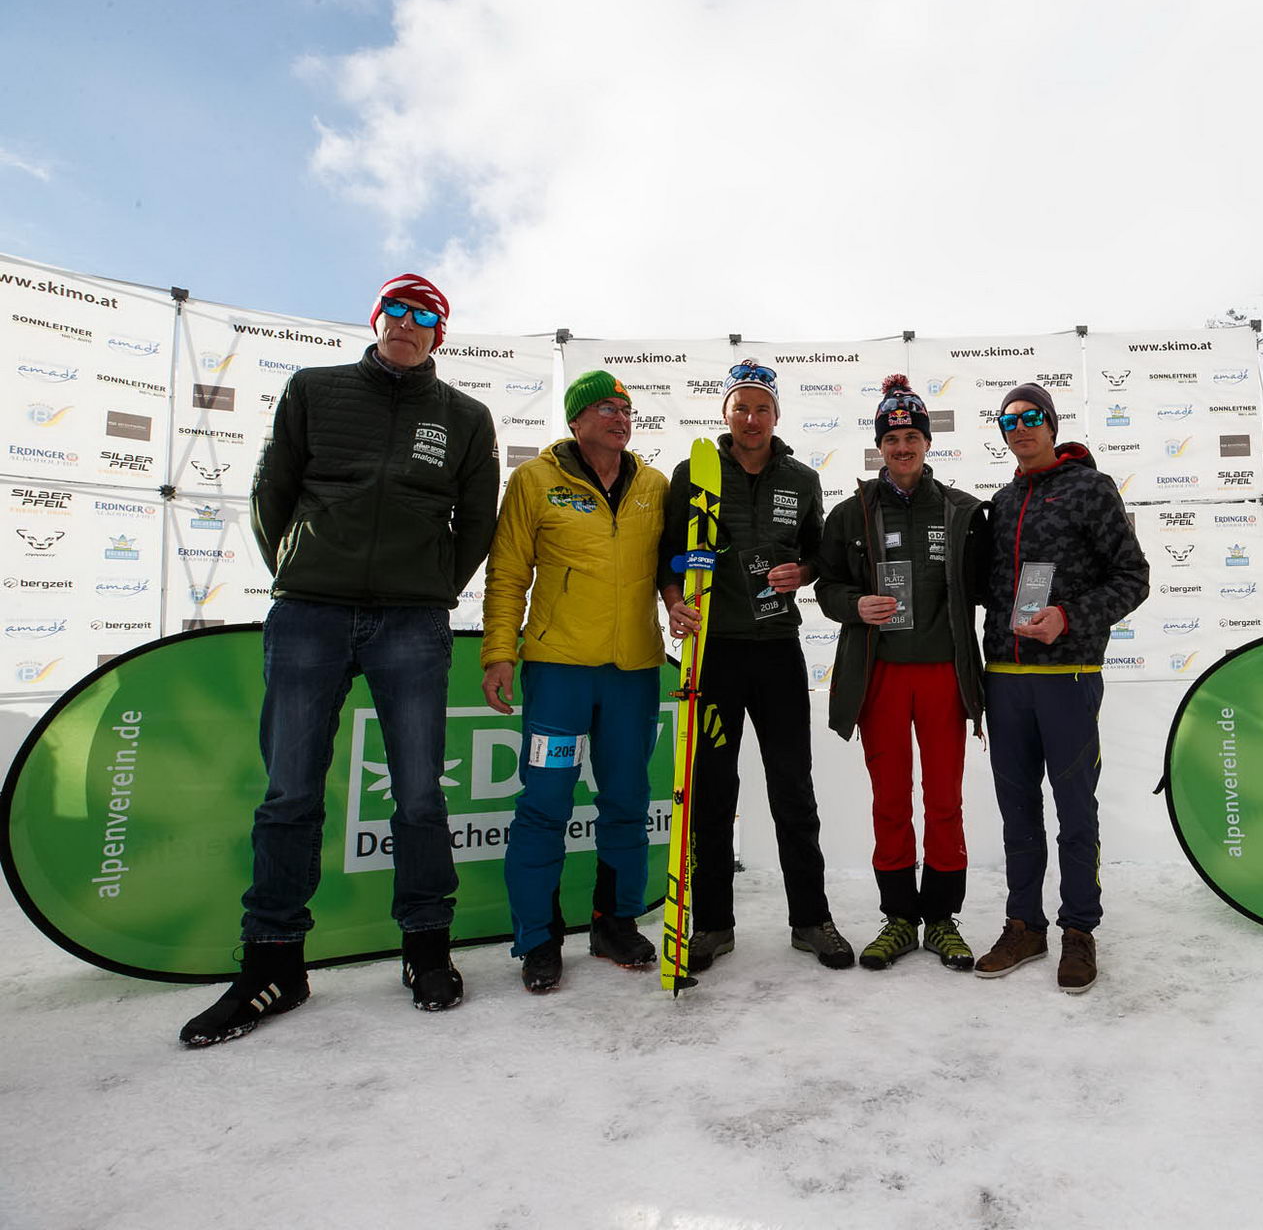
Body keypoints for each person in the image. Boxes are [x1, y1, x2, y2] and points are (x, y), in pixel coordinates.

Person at [180, 273, 499, 1047]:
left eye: (427, 316)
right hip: (309, 616)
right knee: (290, 793)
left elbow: (477, 521)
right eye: (398, 309)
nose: (409, 323)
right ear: (377, 317)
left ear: (440, 336)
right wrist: (301, 568)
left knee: (421, 794)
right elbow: (272, 492)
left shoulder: (465, 416)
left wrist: (428, 589)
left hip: (411, 622)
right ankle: (274, 964)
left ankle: (426, 947)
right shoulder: (313, 389)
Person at [658, 359, 853, 971]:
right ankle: (713, 925)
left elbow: (819, 551)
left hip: (776, 651)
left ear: (776, 415)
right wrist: (673, 602)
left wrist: (807, 572)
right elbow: (666, 554)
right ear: (725, 413)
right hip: (713, 654)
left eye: (762, 408)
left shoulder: (800, 477)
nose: (751, 418)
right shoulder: (694, 472)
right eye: (740, 407)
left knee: (793, 787)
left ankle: (811, 920)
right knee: (713, 791)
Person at [479, 370, 671, 993]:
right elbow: (508, 572)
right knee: (544, 805)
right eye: (607, 408)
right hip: (559, 672)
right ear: (576, 420)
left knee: (626, 802)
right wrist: (499, 652)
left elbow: (678, 567)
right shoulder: (535, 480)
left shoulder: (655, 485)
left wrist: (681, 608)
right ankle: (538, 937)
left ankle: (615, 921)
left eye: (627, 409)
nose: (621, 417)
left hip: (635, 674)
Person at [973, 382, 1149, 994]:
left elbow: (1133, 577)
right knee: (1017, 813)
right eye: (1008, 421)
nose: (1019, 428)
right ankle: (1024, 924)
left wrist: (1068, 617)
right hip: (1005, 679)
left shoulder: (1090, 489)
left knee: (1075, 810)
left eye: (1030, 418)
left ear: (1051, 424)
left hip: (1068, 676)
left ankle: (1079, 930)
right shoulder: (1000, 500)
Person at [814, 375, 988, 972]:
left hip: (943, 674)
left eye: (913, 435)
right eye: (893, 438)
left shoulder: (962, 510)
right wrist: (853, 605)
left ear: (927, 442)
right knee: (890, 800)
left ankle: (940, 918)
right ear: (879, 446)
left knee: (944, 800)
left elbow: (994, 582)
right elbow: (827, 586)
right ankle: (898, 918)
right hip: (881, 674)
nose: (903, 447)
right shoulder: (852, 512)